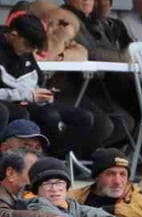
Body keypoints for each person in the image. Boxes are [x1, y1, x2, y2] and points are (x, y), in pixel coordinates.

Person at [1, 17, 106, 158]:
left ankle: (55, 156)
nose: (30, 50)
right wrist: (28, 95)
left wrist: (44, 93)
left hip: (32, 101)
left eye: (33, 47)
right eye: (28, 45)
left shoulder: (25, 52)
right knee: (49, 117)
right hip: (11, 102)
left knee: (84, 117)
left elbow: (35, 80)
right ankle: (31, 158)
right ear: (14, 35)